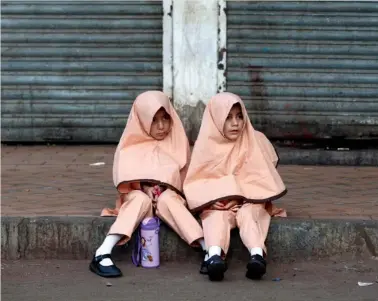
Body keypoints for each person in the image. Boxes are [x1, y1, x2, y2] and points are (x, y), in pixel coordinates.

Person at [89, 91, 205, 278]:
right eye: (153, 120)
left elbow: (184, 178)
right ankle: (103, 252)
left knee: (169, 200)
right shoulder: (130, 144)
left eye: (165, 119)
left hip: (169, 195)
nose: (161, 126)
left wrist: (165, 188)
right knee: (139, 200)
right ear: (142, 120)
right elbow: (126, 178)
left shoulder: (176, 140)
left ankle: (209, 250)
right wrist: (145, 187)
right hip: (138, 194)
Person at [183, 92, 287, 281]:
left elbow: (261, 177)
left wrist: (240, 196)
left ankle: (257, 256)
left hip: (249, 200)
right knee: (215, 216)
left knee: (248, 214)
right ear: (215, 119)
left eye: (240, 116)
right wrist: (212, 201)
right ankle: (214, 257)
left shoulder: (253, 140)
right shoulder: (205, 146)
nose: (236, 123)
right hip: (219, 204)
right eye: (228, 117)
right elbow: (197, 182)